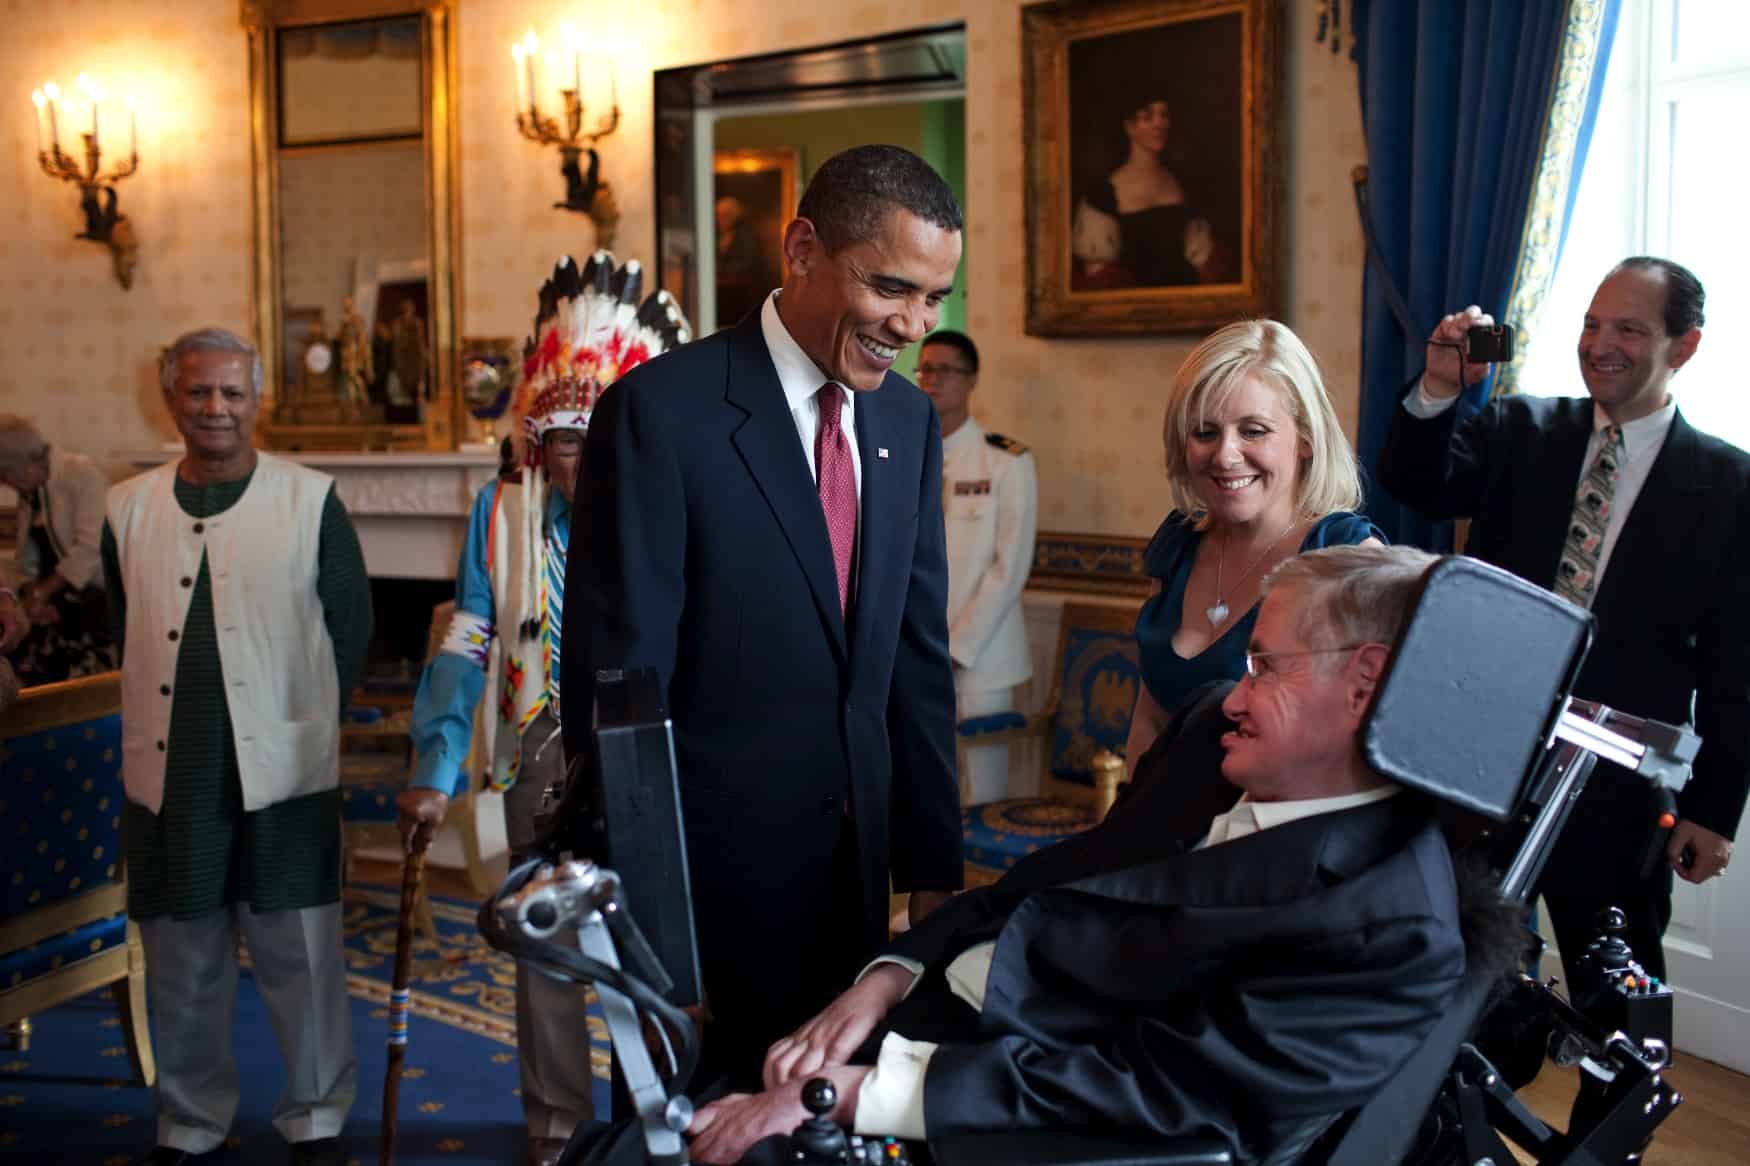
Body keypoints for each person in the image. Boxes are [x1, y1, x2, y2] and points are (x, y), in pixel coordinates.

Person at [683, 545, 1512, 1165]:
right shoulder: (1209, 741)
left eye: (1265, 666)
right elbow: (1048, 882)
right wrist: (888, 975)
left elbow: (1160, 1095)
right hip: (925, 1013)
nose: (1237, 694)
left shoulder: (1391, 927)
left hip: (998, 1111)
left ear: (1365, 683)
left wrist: (848, 1094)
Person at [564, 145, 966, 1090]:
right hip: (711, 907)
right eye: (891, 288)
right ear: (803, 249)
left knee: (827, 1128)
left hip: (857, 893)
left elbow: (915, 659)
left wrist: (934, 877)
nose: (913, 326)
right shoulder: (660, 414)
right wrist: (657, 937)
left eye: (934, 299)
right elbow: (620, 697)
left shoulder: (906, 425)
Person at [1378, 256, 1750, 984]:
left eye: (1628, 330)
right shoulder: (1520, 428)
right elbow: (1417, 483)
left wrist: (1713, 809)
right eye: (1590, 324)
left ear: (1685, 345)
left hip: (1618, 788)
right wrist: (1440, 386)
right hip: (1478, 760)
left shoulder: (1731, 485)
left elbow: (1737, 663)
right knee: (1449, 973)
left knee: (1616, 991)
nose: (1599, 345)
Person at [399, 254, 688, 1166]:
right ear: (538, 444)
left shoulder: (664, 509)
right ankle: (556, 1124)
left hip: (646, 754)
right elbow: (468, 638)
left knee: (653, 941)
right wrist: (433, 766)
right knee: (543, 939)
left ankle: (660, 1115)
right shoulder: (501, 515)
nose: (584, 459)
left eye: (601, 437)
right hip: (540, 747)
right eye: (566, 440)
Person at [101, 327, 372, 1166]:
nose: (214, 407)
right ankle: (189, 1122)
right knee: (181, 957)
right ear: (170, 399)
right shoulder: (126, 509)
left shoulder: (310, 501)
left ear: (257, 400)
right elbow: (121, 627)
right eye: (197, 392)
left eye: (231, 392)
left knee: (301, 953)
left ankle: (317, 1116)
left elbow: (352, 631)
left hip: (285, 774)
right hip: (171, 774)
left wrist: (300, 721)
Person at [1125, 319, 1383, 770]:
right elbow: (1150, 719)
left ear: (1305, 439)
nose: (1226, 455)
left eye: (1254, 430)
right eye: (1205, 432)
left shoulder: (1346, 557)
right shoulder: (1178, 544)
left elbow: (1369, 745)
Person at [916, 330, 1037, 803]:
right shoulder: (905, 453)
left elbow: (1010, 568)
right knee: (923, 791)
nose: (933, 379)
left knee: (983, 794)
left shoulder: (1005, 460)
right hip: (917, 650)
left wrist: (956, 647)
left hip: (983, 658)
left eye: (946, 370)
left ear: (972, 380)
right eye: (925, 369)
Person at [1072, 91, 1232, 290]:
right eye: (1147, 117)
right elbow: (1099, 277)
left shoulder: (1182, 183)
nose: (1159, 123)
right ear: (1129, 127)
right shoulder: (1103, 194)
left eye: (1164, 115)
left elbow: (1201, 260)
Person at [0, 415, 117, 684]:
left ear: (25, 466)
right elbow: (26, 558)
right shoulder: (32, 491)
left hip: (96, 604)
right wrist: (30, 593)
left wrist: (42, 594)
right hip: (56, 605)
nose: (6, 483)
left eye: (5, 475)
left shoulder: (81, 474)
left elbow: (91, 548)